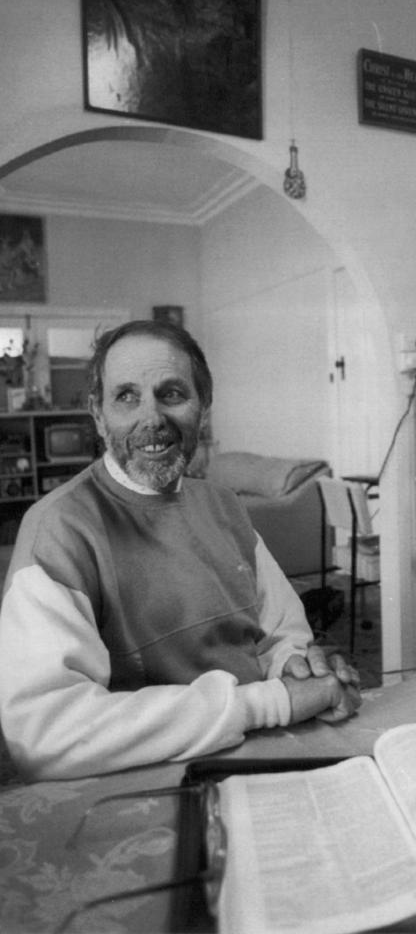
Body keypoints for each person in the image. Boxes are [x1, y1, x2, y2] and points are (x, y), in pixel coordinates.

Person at [0, 320, 361, 780]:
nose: (151, 418)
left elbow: (279, 633)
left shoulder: (223, 505)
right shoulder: (58, 530)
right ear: (97, 413)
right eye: (126, 396)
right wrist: (267, 704)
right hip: (151, 784)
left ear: (203, 408)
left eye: (171, 393)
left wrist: (292, 666)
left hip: (267, 756)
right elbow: (45, 735)